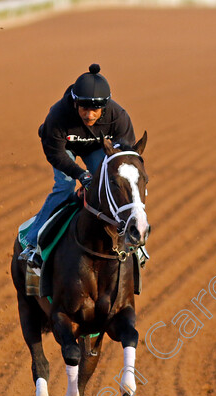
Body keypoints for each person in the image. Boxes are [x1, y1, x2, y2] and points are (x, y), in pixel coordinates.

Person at [20, 64, 135, 267]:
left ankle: (133, 241)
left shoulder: (117, 116)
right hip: (65, 150)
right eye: (84, 108)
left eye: (95, 110)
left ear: (105, 108)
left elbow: (124, 154)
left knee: (110, 184)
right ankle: (33, 244)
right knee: (64, 187)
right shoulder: (57, 116)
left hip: (95, 148)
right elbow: (55, 154)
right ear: (75, 103)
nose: (89, 115)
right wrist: (81, 174)